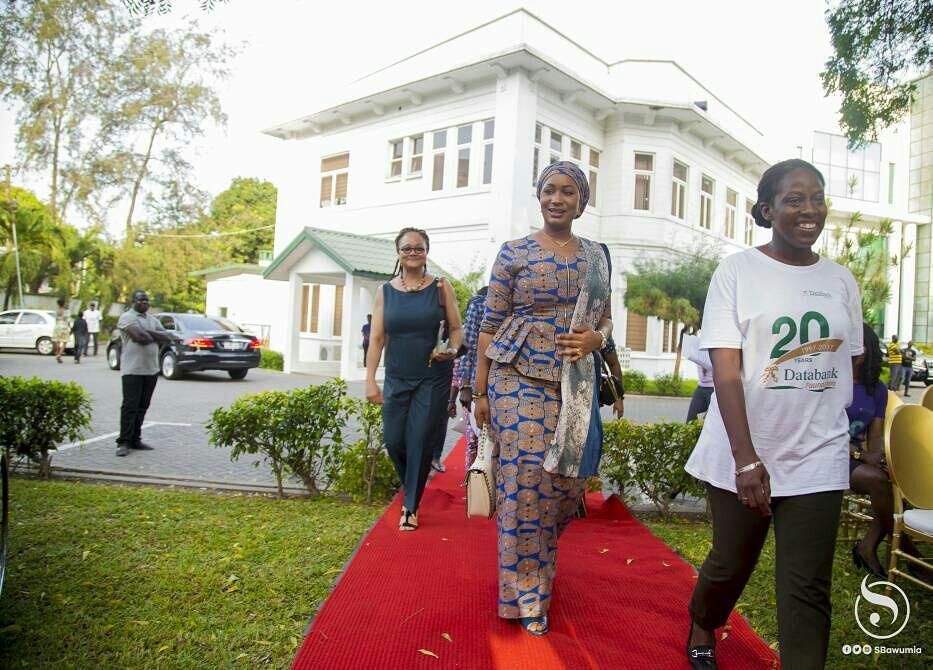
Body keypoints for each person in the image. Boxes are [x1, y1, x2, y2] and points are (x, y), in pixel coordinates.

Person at [683, 159, 863, 670]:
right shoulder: (737, 272)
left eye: (817, 197)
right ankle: (703, 618)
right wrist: (746, 460)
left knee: (807, 585)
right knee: (731, 562)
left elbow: (849, 359)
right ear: (767, 210)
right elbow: (725, 366)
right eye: (794, 199)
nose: (809, 210)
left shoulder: (841, 280)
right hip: (743, 448)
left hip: (817, 451)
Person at [473, 162, 612, 636]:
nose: (557, 199)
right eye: (549, 190)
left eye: (568, 192)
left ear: (581, 201)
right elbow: (489, 325)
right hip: (515, 374)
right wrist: (480, 390)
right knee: (527, 477)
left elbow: (606, 319)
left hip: (573, 378)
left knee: (564, 485)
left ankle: (537, 561)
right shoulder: (513, 252)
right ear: (538, 196)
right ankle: (527, 594)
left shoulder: (597, 255)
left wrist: (596, 339)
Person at [365, 227, 463, 531]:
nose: (412, 253)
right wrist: (370, 379)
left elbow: (458, 329)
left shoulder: (440, 287)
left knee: (419, 439)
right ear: (398, 252)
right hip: (397, 376)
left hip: (432, 376)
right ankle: (413, 483)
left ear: (426, 252)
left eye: (418, 248)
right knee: (394, 441)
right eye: (406, 248)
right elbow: (378, 337)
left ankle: (410, 506)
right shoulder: (385, 291)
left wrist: (453, 349)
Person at [115, 290, 174, 457]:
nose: (145, 303)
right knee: (130, 406)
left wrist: (152, 335)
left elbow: (167, 337)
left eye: (147, 301)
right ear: (133, 301)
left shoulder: (152, 320)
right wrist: (156, 336)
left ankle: (135, 439)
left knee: (142, 406)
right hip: (132, 370)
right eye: (141, 300)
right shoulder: (127, 317)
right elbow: (140, 337)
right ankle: (123, 442)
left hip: (151, 370)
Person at [453, 286, 488, 469]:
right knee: (477, 441)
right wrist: (464, 385)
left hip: (507, 384)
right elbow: (469, 348)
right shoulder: (480, 305)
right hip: (478, 386)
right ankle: (475, 490)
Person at [682, 332, 714, 422]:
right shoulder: (700, 344)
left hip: (714, 389)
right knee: (690, 420)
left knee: (709, 421)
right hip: (701, 388)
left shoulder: (715, 346)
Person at [52, 298, 70, 363]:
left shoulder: (56, 311)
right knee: (65, 342)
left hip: (57, 326)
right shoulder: (66, 311)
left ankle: (57, 353)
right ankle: (59, 354)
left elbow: (55, 319)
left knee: (57, 341)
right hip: (64, 326)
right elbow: (66, 319)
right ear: (64, 303)